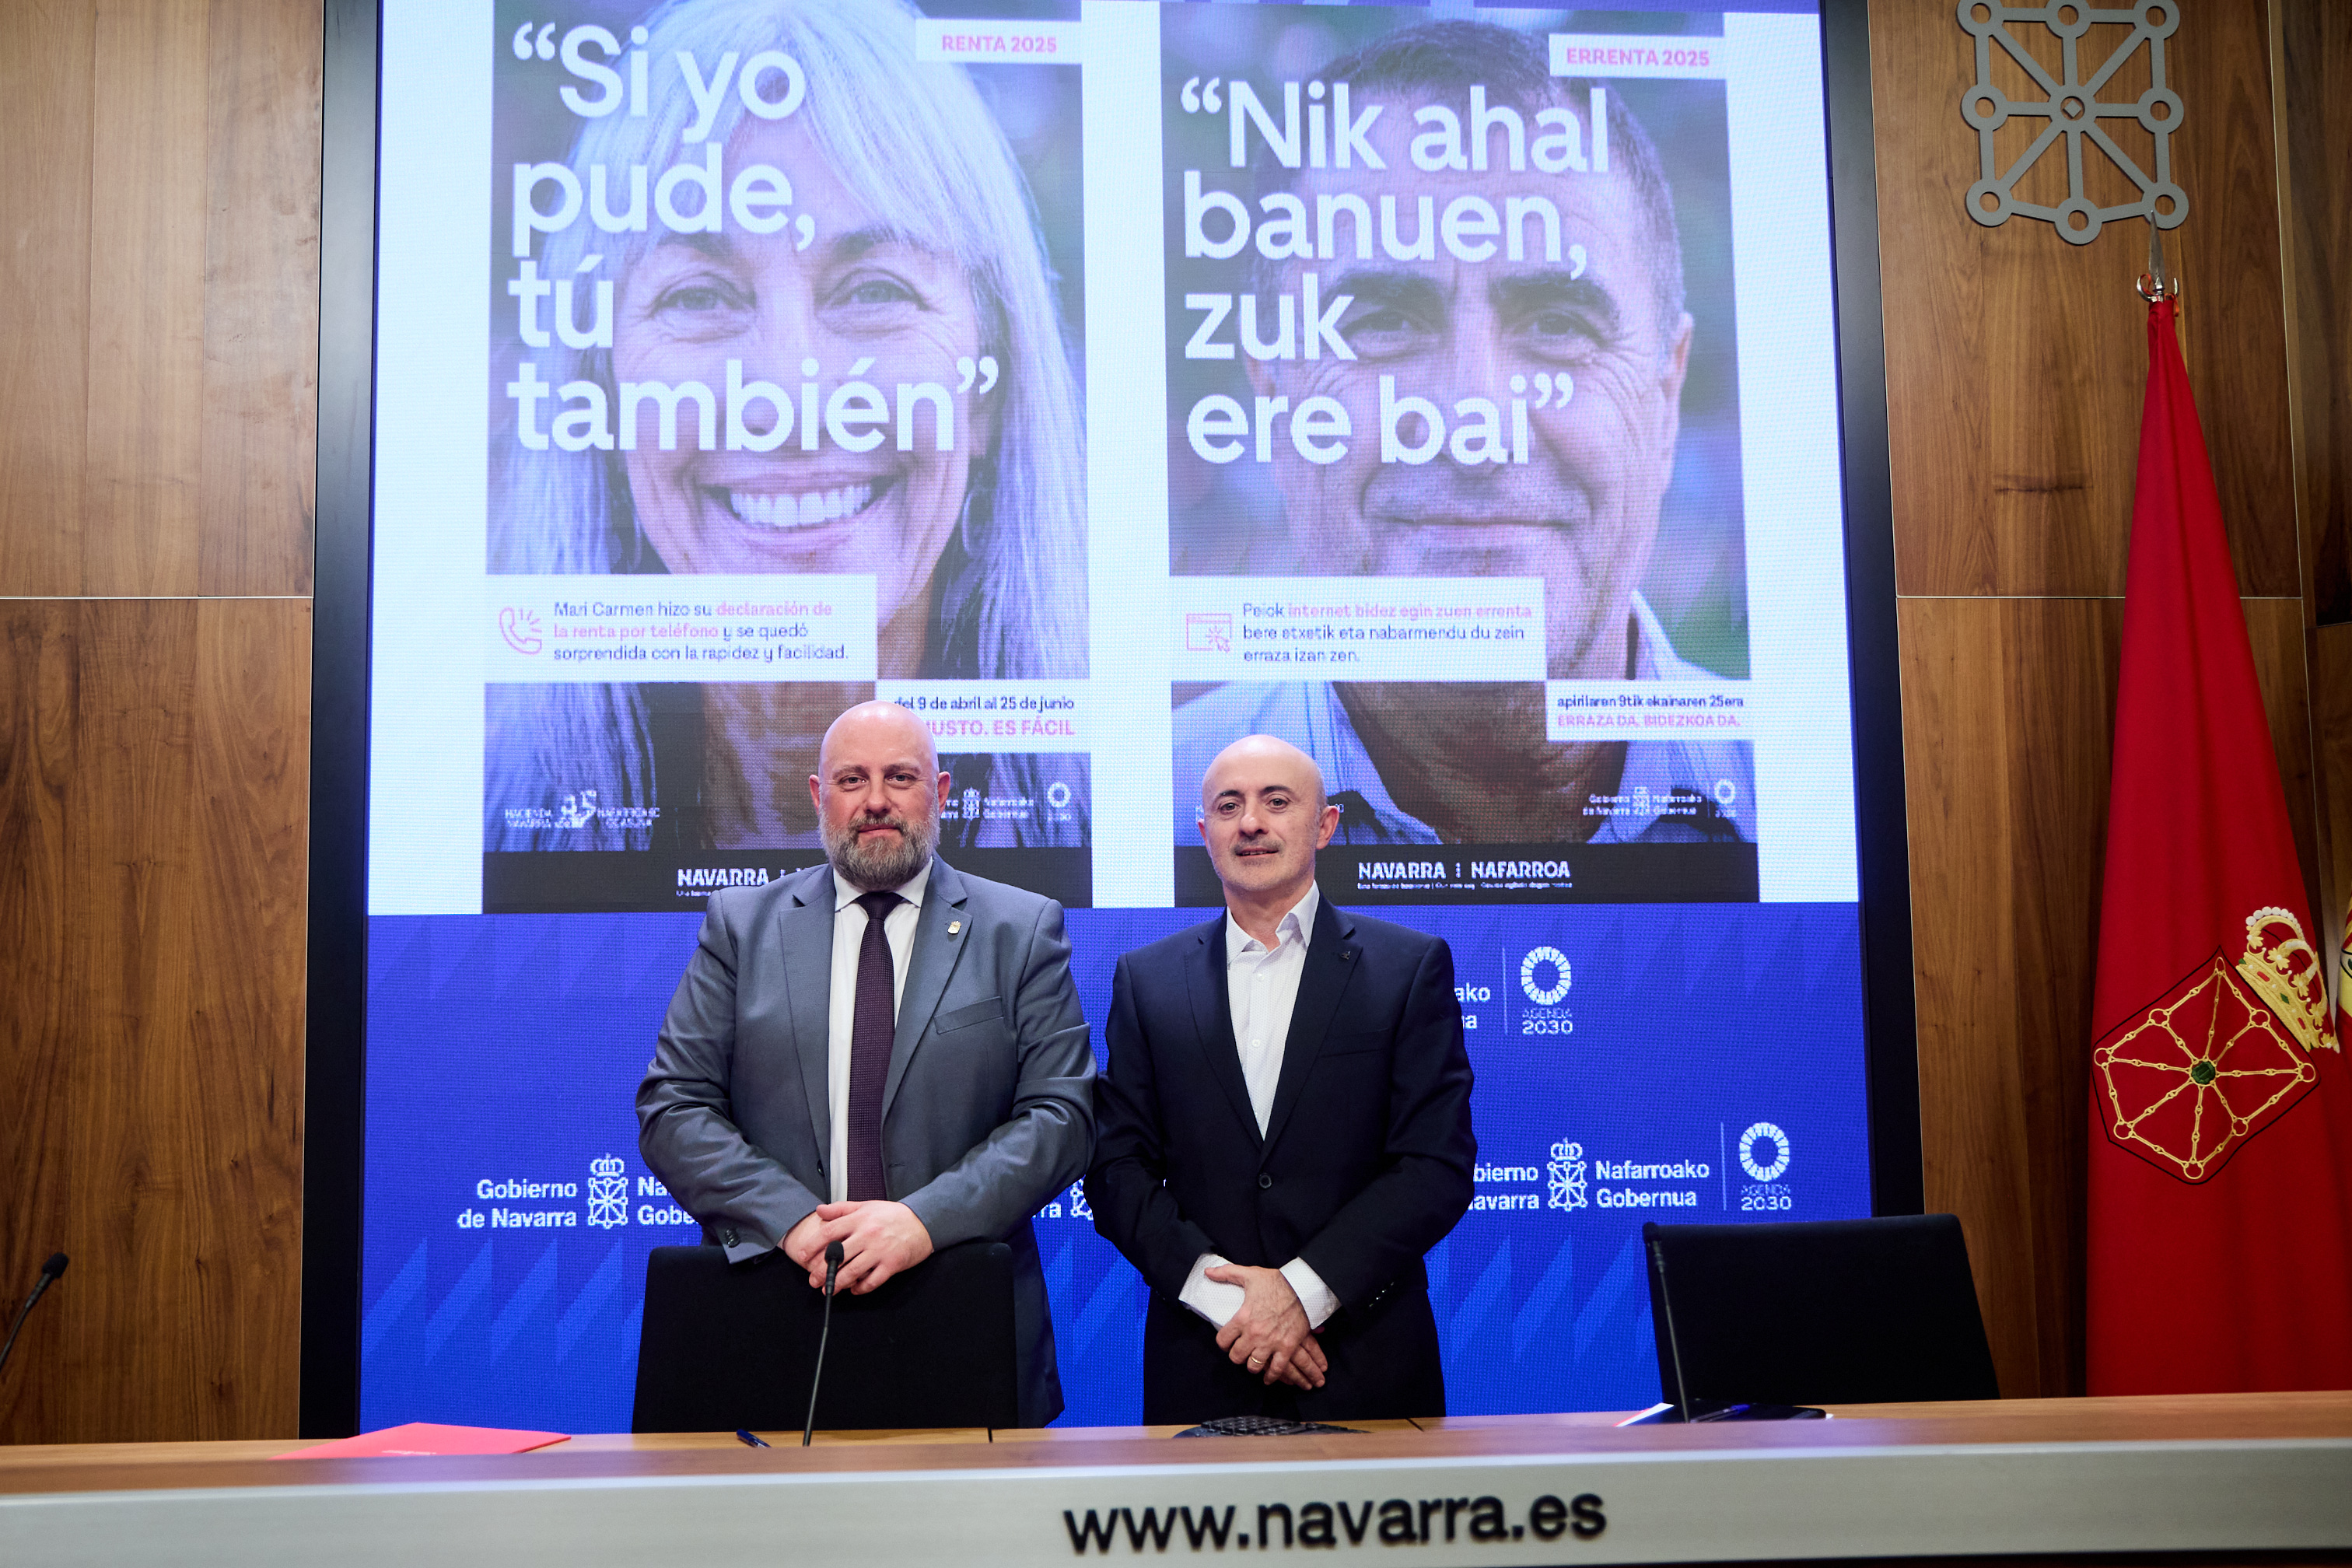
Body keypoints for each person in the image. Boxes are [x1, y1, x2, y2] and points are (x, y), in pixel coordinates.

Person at [487, 0, 1086, 856]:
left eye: (874, 290)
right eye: (698, 296)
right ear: (600, 397)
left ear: (989, 388)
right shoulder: (470, 836)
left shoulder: (1157, 812)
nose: (789, 403)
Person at [1172, 20, 1750, 849]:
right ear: (1272, 397)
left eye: (1558, 323)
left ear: (1667, 392)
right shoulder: (1130, 809)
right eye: (1381, 323)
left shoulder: (1807, 803)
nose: (1474, 426)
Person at [637, 699, 1095, 1425]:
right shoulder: (742, 926)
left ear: (940, 793)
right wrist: (793, 1221)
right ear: (819, 796)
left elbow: (1062, 1117)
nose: (875, 801)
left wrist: (921, 1221)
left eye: (899, 777)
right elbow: (674, 1108)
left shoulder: (1022, 928)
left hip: (962, 1310)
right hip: (775, 1306)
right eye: (852, 780)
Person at [1089, 734, 1475, 1423]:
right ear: (1205, 834)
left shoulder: (1407, 968)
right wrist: (1232, 1304)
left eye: (1276, 802)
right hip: (1205, 1357)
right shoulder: (1147, 981)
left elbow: (1434, 1165)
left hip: (1364, 1358)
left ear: (1325, 824)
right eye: (1228, 806)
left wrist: (1302, 1295)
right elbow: (1117, 1170)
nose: (1251, 823)